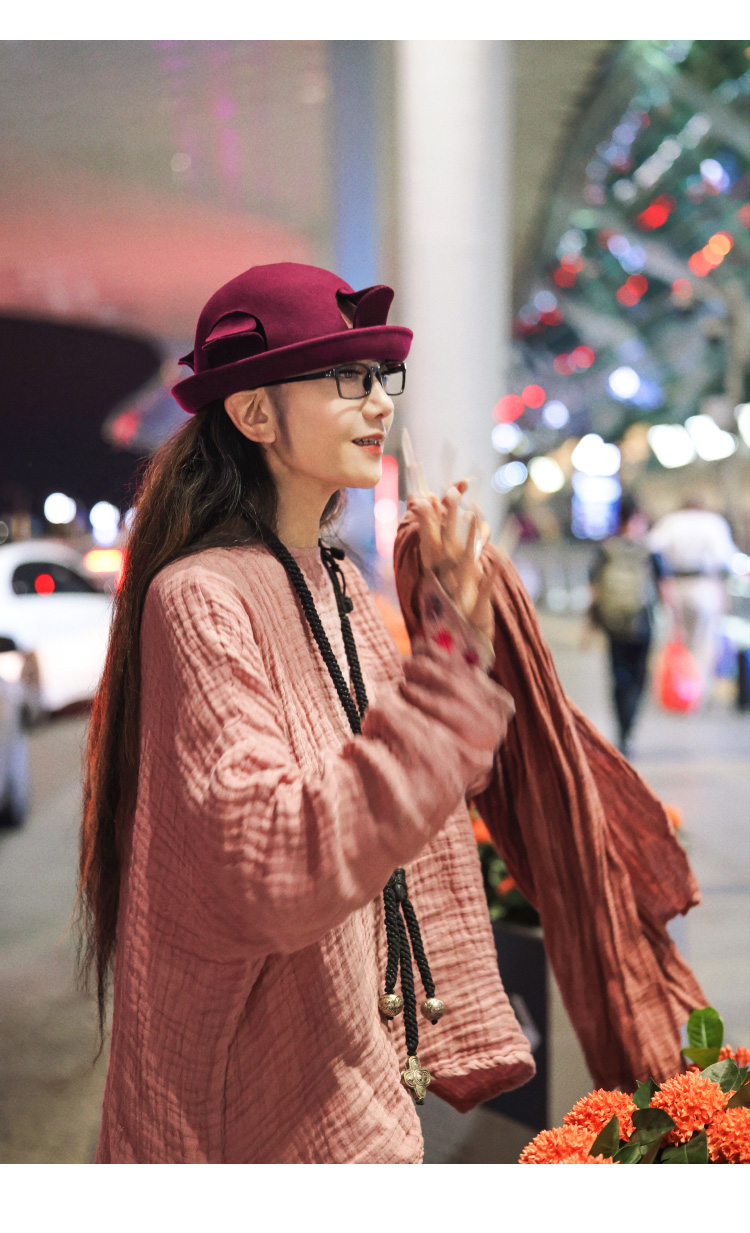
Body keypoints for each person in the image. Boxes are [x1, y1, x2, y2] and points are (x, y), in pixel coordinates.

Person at [73, 262, 526, 1164]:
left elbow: (430, 781)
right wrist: (448, 666)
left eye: (379, 376)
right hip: (257, 1104)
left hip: (356, 1052)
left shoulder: (338, 580)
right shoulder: (199, 596)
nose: (379, 402)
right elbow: (274, 859)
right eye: (345, 378)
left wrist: (456, 630)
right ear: (254, 413)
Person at [588, 494, 665, 757]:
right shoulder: (650, 551)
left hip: (614, 624)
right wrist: (674, 622)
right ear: (639, 519)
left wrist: (591, 621)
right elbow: (664, 588)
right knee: (638, 677)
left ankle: (621, 729)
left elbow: (594, 589)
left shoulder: (606, 550)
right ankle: (629, 727)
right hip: (643, 623)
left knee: (618, 674)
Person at [648, 494, 739, 697]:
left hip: (675, 585)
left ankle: (671, 689)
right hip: (704, 586)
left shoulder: (671, 521)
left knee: (674, 638)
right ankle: (694, 693)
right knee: (702, 643)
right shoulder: (713, 522)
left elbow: (652, 549)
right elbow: (727, 558)